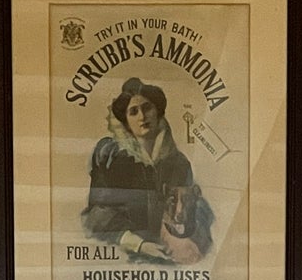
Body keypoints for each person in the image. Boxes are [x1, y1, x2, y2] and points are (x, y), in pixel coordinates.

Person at [81, 77, 213, 263]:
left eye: (147, 108)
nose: (142, 116)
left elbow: (190, 209)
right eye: (133, 112)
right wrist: (140, 244)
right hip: (124, 257)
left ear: (158, 112)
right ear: (126, 122)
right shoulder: (111, 159)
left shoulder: (179, 163)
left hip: (171, 257)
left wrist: (185, 238)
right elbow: (96, 216)